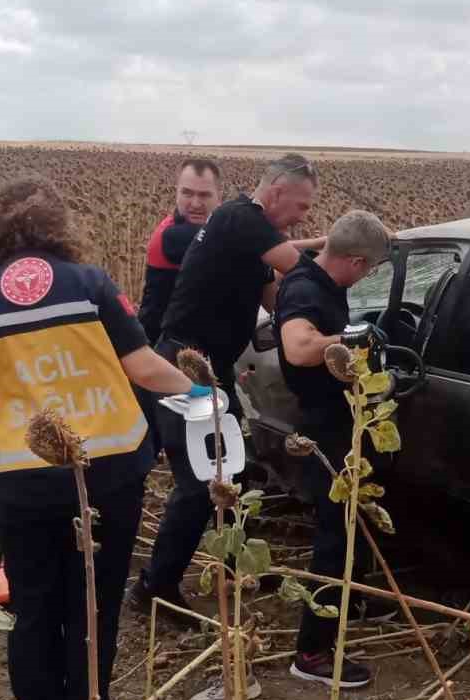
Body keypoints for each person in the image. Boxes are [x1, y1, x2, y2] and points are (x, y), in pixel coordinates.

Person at [0, 175, 206, 700]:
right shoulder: (90, 285)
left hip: (21, 480)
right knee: (92, 604)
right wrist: (199, 389)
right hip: (106, 476)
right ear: (59, 226)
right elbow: (141, 366)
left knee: (33, 606)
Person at [184, 210, 392, 700]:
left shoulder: (304, 272)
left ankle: (353, 599)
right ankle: (314, 652)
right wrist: (351, 340)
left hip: (339, 418)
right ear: (355, 261)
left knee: (353, 516)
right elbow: (298, 348)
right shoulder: (305, 292)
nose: (365, 279)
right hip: (326, 425)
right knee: (335, 530)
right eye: (367, 270)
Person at [129, 154, 325, 617]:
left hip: (210, 372)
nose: (302, 216)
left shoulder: (249, 236)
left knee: (232, 472)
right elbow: (300, 271)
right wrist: (345, 256)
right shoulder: (241, 218)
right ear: (276, 193)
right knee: (200, 485)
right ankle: (153, 590)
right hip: (185, 372)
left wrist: (307, 328)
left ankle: (241, 563)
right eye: (300, 206)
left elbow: (278, 298)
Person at [138, 158, 220, 344]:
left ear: (219, 197)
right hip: (160, 347)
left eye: (205, 195)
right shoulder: (174, 235)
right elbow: (246, 245)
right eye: (187, 193)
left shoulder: (208, 228)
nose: (196, 203)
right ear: (177, 193)